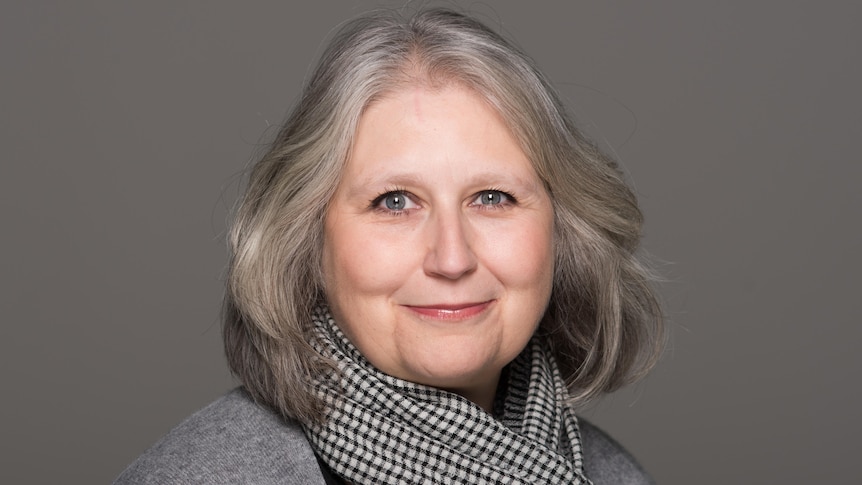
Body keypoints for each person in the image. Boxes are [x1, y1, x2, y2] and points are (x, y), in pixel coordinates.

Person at [115, 8, 663, 484]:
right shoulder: (210, 475)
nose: (452, 258)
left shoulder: (612, 474)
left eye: (492, 197)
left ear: (563, 232)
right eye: (394, 202)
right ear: (308, 242)